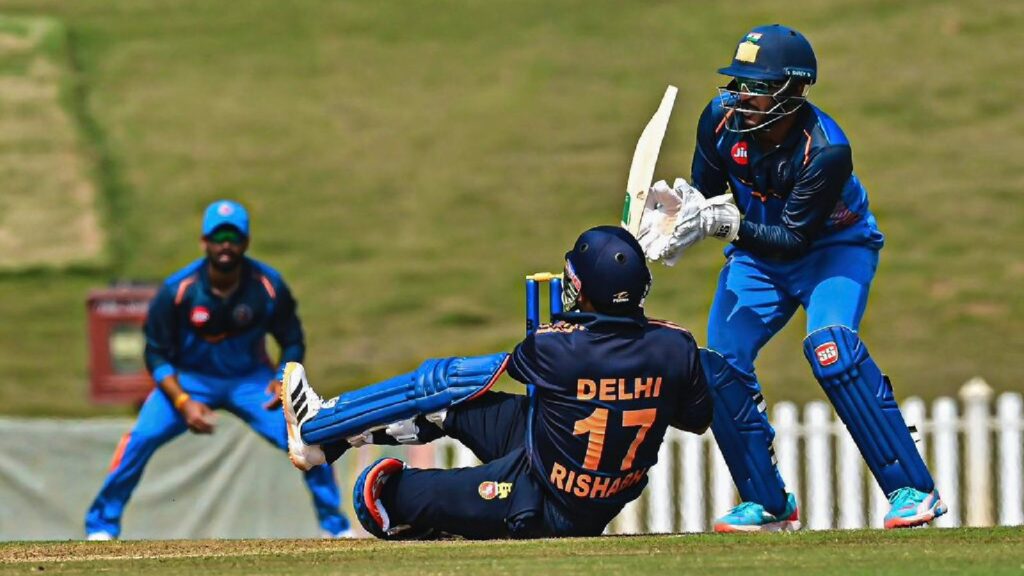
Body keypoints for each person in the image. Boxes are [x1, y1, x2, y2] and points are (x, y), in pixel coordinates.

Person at [636, 24, 946, 531]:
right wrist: (678, 217)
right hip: (757, 257)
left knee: (831, 350)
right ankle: (768, 502)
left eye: (756, 87)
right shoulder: (719, 120)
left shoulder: (825, 149)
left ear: (793, 90)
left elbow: (793, 239)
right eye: (739, 83)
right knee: (719, 364)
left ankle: (913, 490)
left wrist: (724, 224)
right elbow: (706, 195)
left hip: (833, 251)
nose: (741, 96)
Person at [279, 226, 711, 539]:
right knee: (450, 407)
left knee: (376, 495)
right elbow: (695, 419)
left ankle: (326, 432)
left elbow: (530, 359)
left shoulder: (556, 348)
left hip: (545, 504)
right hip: (557, 457)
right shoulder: (677, 345)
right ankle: (326, 440)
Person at [84, 200, 349, 540]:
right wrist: (182, 402)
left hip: (251, 382)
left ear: (246, 242)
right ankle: (101, 527)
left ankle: (336, 528)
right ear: (204, 242)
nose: (226, 245)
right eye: (218, 237)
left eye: (233, 237)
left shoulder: (268, 286)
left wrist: (282, 377)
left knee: (309, 438)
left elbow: (293, 340)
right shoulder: (178, 290)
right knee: (141, 438)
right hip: (189, 380)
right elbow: (156, 354)